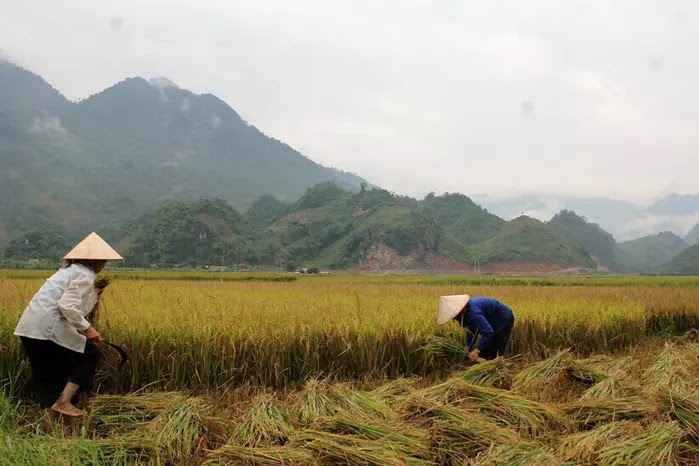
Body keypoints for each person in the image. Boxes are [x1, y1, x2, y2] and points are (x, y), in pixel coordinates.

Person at [14, 232, 122, 417]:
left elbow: (77, 308)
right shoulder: (85, 274)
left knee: (48, 376)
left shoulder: (67, 272)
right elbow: (68, 306)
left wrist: (94, 293)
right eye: (104, 260)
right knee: (90, 354)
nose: (105, 265)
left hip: (29, 329)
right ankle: (64, 402)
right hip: (48, 330)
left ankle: (49, 426)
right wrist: (89, 330)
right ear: (94, 261)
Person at [437, 294, 515, 361]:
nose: (454, 319)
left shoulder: (474, 315)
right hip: (492, 319)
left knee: (496, 347)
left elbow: (488, 333)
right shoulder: (465, 315)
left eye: (454, 316)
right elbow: (471, 331)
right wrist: (467, 346)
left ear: (459, 311)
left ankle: (497, 366)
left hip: (504, 318)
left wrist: (477, 350)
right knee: (486, 349)